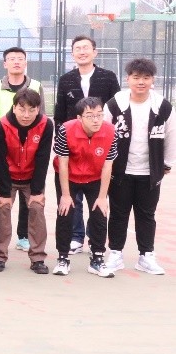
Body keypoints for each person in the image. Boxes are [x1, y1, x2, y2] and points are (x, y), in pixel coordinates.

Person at [103, 58, 174, 275]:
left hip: (150, 172)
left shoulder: (163, 106)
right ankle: (115, 253)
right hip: (120, 170)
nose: (141, 82)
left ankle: (146, 256)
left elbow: (171, 136)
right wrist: (105, 164)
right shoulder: (114, 104)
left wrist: (166, 164)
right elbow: (104, 134)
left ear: (153, 80)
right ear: (128, 79)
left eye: (146, 78)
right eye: (136, 77)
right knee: (118, 214)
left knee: (147, 215)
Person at [52, 34, 120, 255]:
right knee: (73, 196)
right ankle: (76, 237)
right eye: (77, 49)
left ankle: (95, 240)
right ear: (72, 54)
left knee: (96, 195)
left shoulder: (108, 77)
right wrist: (62, 137)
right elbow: (60, 112)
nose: (82, 52)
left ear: (95, 52)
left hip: (99, 145)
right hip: (73, 144)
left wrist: (107, 135)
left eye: (86, 48)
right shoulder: (66, 79)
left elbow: (116, 108)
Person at [0, 46, 45, 254]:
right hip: (4, 146)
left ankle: (24, 236)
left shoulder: (36, 86)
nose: (16, 62)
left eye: (20, 58)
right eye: (12, 58)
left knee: (31, 203)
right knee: (3, 201)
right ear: (5, 63)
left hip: (29, 148)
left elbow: (40, 117)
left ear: (26, 62)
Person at [0, 88, 54, 274]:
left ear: (38, 109)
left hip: (32, 177)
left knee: (37, 210)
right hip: (7, 177)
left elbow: (43, 158)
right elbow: (0, 160)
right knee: (2, 211)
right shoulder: (2, 125)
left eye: (32, 110)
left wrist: (37, 191)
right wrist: (4, 193)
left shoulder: (46, 124)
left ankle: (38, 258)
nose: (26, 115)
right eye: (22, 109)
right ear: (14, 107)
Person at [53, 97, 116, 277]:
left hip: (95, 177)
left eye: (99, 115)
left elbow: (108, 166)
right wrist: (66, 195)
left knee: (100, 213)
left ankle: (97, 259)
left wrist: (102, 197)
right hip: (69, 176)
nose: (96, 120)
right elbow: (63, 163)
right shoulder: (65, 130)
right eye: (90, 116)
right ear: (79, 118)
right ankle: (63, 258)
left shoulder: (111, 131)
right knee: (65, 213)